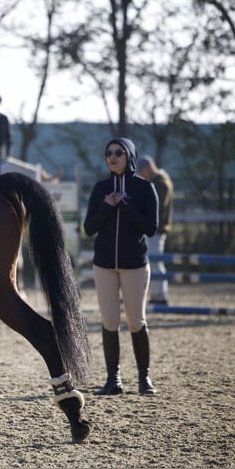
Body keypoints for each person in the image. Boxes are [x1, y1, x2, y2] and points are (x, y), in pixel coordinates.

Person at [83, 138, 159, 396]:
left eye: (118, 152)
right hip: (104, 265)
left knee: (136, 321)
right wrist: (107, 206)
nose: (112, 157)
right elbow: (89, 228)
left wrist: (124, 205)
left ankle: (143, 379)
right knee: (110, 321)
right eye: (108, 153)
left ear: (129, 156)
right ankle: (113, 381)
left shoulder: (145, 188)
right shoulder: (100, 188)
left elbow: (150, 228)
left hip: (134, 265)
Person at [137, 156, 174, 305]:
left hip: (156, 229)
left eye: (141, 172)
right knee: (153, 261)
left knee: (156, 261)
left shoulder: (160, 183)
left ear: (147, 169)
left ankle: (160, 295)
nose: (140, 175)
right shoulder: (160, 181)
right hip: (155, 227)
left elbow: (155, 207)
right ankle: (157, 294)